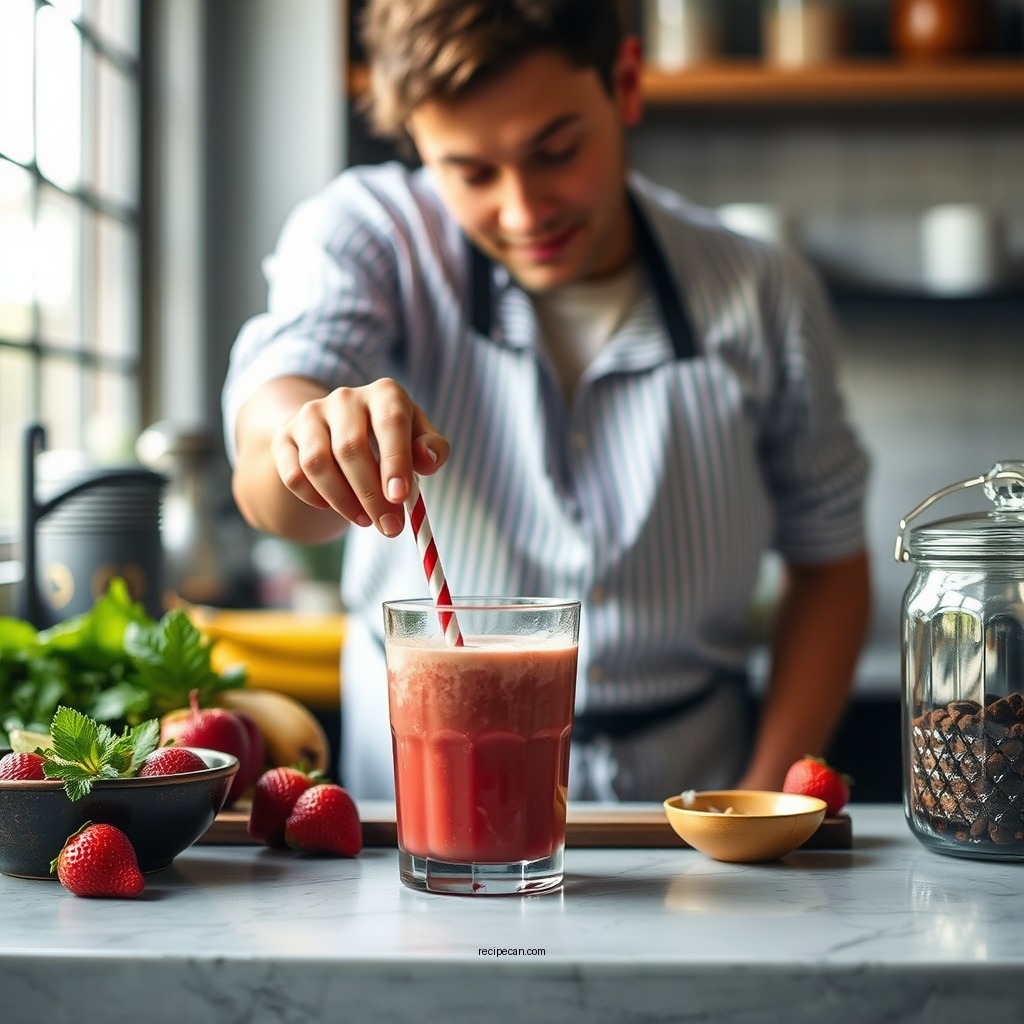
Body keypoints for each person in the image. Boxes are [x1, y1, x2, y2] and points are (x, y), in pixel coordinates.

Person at [223, 0, 872, 801]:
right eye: (470, 172)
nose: (524, 211)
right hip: (423, 801)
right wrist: (306, 436)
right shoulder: (369, 235)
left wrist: (763, 795)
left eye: (557, 150)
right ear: (418, 144)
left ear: (625, 84)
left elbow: (830, 564)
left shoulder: (764, 292)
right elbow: (269, 452)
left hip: (691, 801)